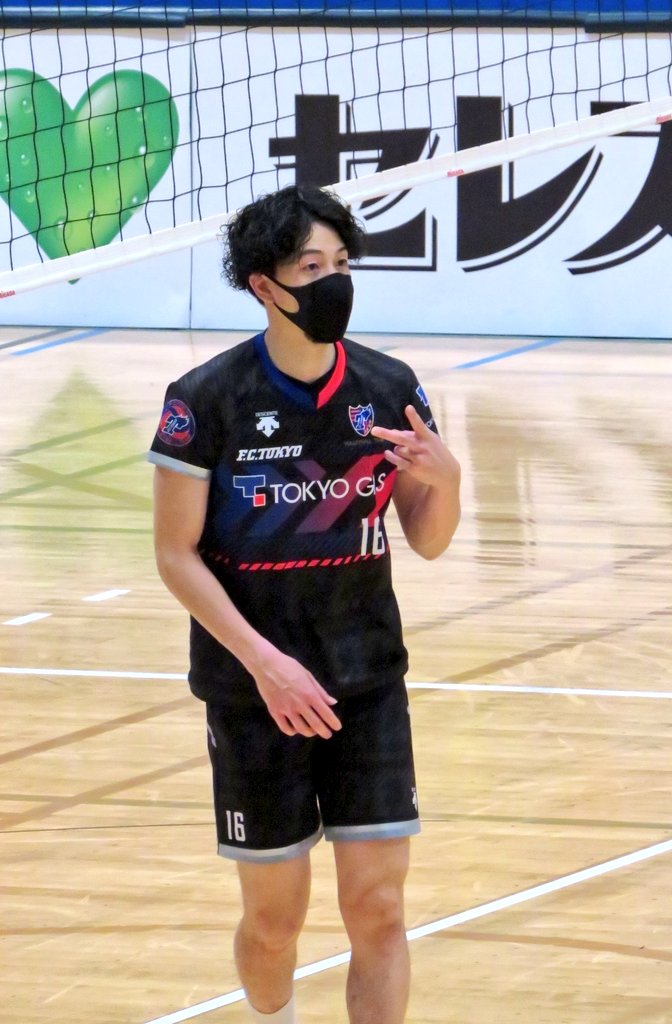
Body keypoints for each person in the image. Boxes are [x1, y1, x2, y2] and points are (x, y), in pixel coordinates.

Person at [148, 184, 461, 1024]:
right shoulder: (205, 399)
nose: (334, 282)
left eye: (342, 264)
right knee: (275, 922)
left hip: (365, 677)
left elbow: (429, 540)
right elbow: (175, 555)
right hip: (257, 692)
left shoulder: (388, 386)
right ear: (265, 285)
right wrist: (266, 665)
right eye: (311, 267)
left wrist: (448, 481)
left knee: (380, 908)